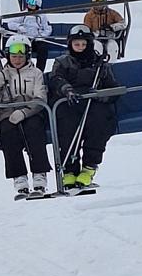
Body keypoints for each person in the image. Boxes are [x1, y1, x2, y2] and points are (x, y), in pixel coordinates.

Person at [48, 26, 118, 189]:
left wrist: (101, 95)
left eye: (83, 44)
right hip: (70, 101)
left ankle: (89, 167)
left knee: (99, 123)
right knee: (67, 127)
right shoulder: (63, 62)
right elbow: (56, 79)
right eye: (76, 44)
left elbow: (113, 88)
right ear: (70, 45)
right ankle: (69, 171)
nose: (80, 48)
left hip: (93, 102)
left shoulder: (99, 64)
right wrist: (66, 90)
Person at [0, 37, 52, 198]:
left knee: (34, 130)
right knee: (8, 134)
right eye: (14, 56)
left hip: (31, 111)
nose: (17, 60)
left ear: (27, 56)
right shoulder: (2, 74)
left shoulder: (36, 73)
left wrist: (25, 112)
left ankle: (39, 173)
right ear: (8, 57)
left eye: (21, 56)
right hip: (8, 113)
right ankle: (19, 176)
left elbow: (40, 98)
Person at [3, 0, 53, 70]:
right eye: (29, 3)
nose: (30, 5)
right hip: (24, 39)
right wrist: (19, 27)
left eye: (32, 4)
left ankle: (39, 70)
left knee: (43, 49)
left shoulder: (42, 16)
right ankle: (24, 69)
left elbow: (48, 29)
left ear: (37, 5)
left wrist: (40, 36)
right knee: (22, 49)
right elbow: (10, 23)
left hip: (36, 40)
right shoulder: (23, 14)